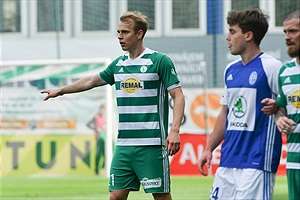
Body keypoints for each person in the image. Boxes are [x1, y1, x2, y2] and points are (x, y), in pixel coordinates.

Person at [41, 11, 185, 200]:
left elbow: (178, 96)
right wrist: (61, 91)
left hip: (150, 144)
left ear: (139, 34)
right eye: (118, 32)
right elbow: (91, 80)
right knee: (115, 196)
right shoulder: (118, 65)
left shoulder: (159, 61)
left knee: (161, 197)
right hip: (124, 144)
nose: (119, 36)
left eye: (125, 32)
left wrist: (174, 130)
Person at [198, 8, 283, 200]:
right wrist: (208, 148)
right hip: (228, 160)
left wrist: (278, 106)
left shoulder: (271, 66)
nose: (228, 37)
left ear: (248, 35)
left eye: (232, 31)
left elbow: (290, 103)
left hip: (257, 161)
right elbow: (225, 114)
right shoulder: (230, 70)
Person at [262, 10, 300, 200]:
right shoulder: (285, 72)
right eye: (285, 32)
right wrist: (279, 117)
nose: (287, 37)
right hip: (294, 160)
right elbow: (282, 109)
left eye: (293, 31)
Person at [86, 104, 106, 175]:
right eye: (102, 109)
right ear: (100, 109)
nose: (103, 111)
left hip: (105, 137)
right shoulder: (96, 117)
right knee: (98, 154)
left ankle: (104, 168)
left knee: (105, 153)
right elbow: (88, 124)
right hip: (99, 137)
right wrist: (96, 128)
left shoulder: (104, 117)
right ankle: (96, 170)